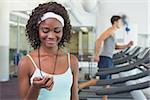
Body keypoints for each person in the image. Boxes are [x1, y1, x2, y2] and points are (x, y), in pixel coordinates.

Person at [18, 2, 79, 100]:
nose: (51, 36)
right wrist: (35, 88)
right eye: (45, 30)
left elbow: (74, 97)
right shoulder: (26, 62)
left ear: (63, 31)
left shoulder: (72, 61)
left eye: (57, 30)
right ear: (37, 30)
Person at [79, 15, 133, 100]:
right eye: (120, 22)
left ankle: (104, 98)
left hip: (108, 58)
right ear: (115, 22)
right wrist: (96, 54)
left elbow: (116, 47)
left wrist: (127, 45)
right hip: (105, 58)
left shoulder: (113, 32)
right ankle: (79, 86)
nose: (121, 24)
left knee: (107, 82)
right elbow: (99, 40)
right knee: (103, 81)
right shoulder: (110, 30)